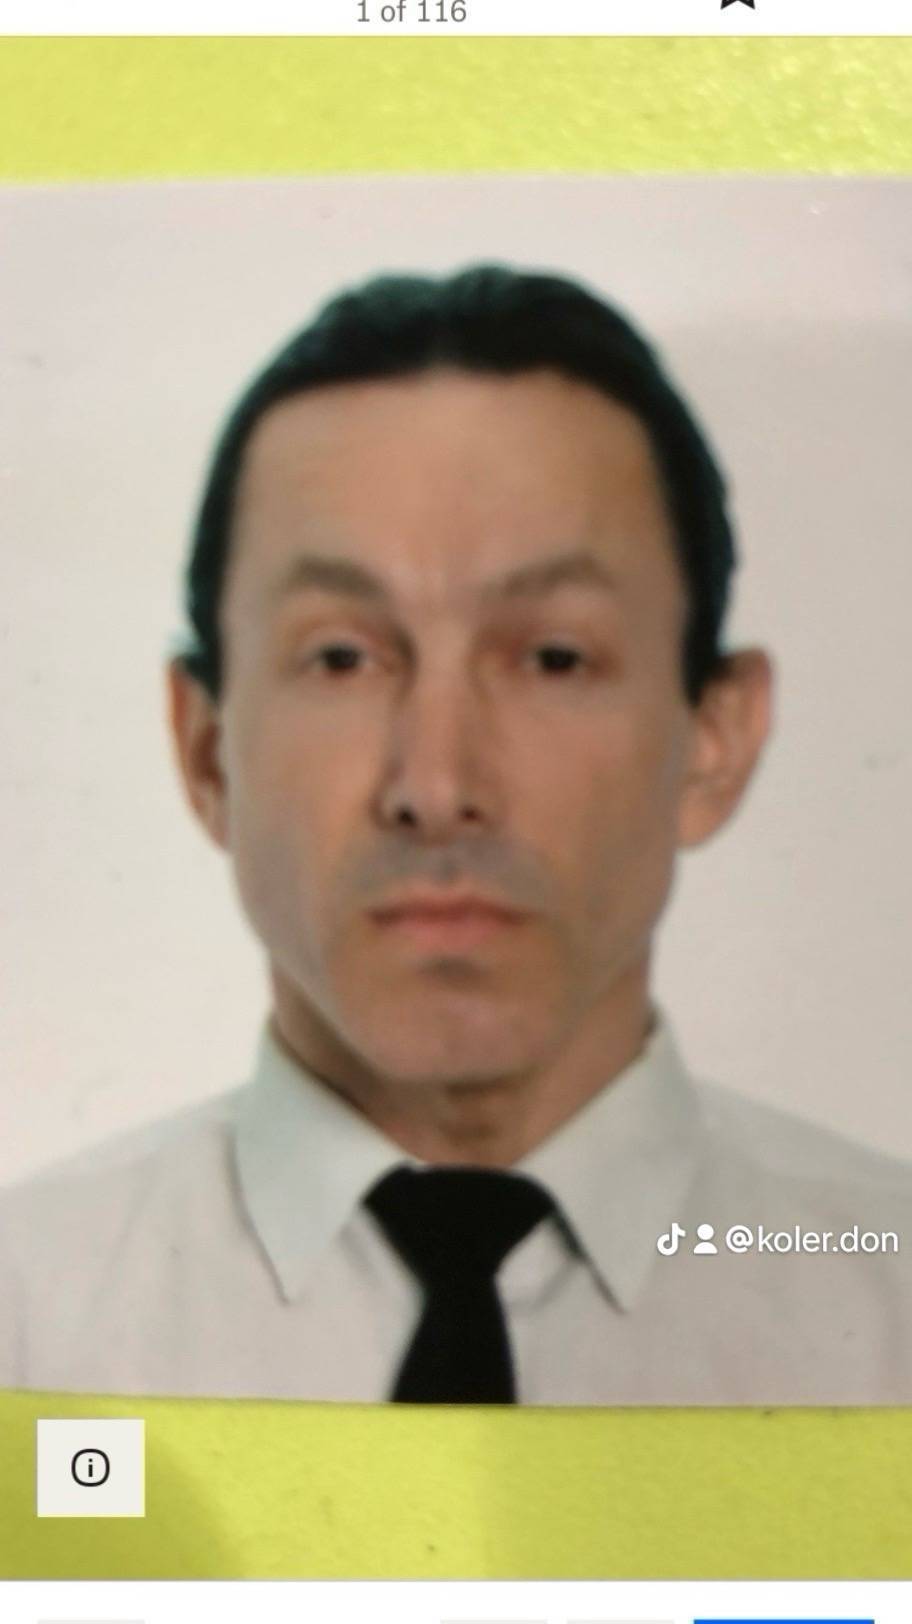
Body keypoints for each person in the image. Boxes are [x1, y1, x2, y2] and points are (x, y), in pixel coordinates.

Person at [2, 264, 911, 1405]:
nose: (436, 786)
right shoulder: (27, 1324)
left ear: (714, 739)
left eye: (554, 657)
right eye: (341, 657)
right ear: (204, 749)